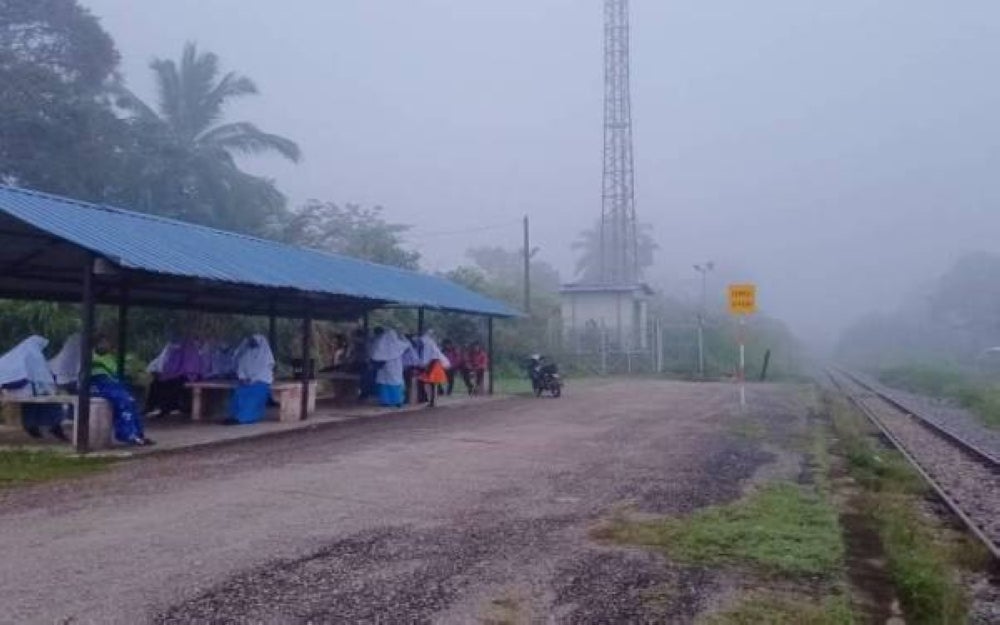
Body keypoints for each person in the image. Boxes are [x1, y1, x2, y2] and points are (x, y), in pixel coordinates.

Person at [0, 335, 67, 440]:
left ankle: (34, 427)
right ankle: (55, 427)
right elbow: (43, 377)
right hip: (24, 391)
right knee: (51, 401)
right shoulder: (34, 355)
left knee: (39, 401)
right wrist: (52, 390)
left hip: (14, 391)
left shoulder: (16, 355)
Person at [90, 334, 153, 446]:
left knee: (132, 401)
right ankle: (127, 434)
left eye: (107, 342)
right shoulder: (92, 357)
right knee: (125, 402)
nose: (106, 345)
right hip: (99, 386)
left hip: (112, 385)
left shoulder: (110, 357)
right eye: (102, 342)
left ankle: (138, 434)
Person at [146, 336, 202, 417]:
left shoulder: (190, 351)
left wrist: (170, 375)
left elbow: (188, 369)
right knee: (155, 383)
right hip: (177, 375)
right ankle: (150, 407)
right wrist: (166, 374)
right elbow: (169, 366)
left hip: (190, 376)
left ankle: (165, 409)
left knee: (171, 383)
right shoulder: (174, 351)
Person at [227, 334, 275, 425]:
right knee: (238, 394)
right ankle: (233, 416)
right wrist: (243, 378)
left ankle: (244, 418)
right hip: (245, 382)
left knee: (252, 398)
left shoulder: (265, 357)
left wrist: (254, 380)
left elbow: (264, 373)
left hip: (260, 382)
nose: (252, 343)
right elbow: (240, 367)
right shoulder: (246, 353)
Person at [369, 328, 411, 407]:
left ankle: (385, 402)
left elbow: (374, 355)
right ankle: (397, 401)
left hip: (384, 367)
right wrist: (403, 336)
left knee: (384, 383)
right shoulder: (398, 344)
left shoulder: (381, 344)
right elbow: (407, 344)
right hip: (395, 366)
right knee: (396, 382)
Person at [418, 331, 450, 407]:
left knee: (431, 383)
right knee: (431, 384)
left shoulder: (428, 346)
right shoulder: (431, 345)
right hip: (434, 365)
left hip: (433, 366)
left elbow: (430, 358)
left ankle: (431, 400)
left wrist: (426, 368)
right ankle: (431, 400)